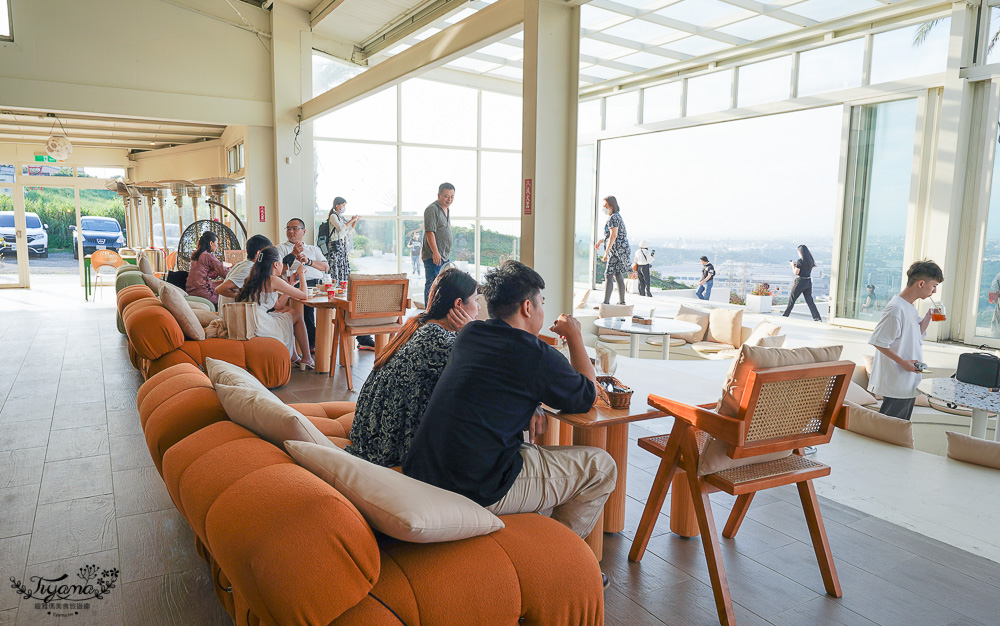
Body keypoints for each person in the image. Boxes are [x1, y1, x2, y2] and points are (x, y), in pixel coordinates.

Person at [403, 261, 617, 553]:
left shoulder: (469, 334)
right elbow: (588, 395)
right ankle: (559, 560)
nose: (543, 309)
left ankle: (533, 541)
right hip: (472, 486)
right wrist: (576, 334)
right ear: (527, 307)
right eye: (542, 302)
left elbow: (498, 381)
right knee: (601, 467)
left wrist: (533, 403)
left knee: (529, 450)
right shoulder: (535, 355)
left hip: (424, 470)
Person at [346, 269, 479, 467]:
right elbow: (485, 371)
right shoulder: (439, 338)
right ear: (458, 304)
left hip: (368, 432)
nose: (477, 308)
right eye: (476, 300)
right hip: (387, 446)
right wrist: (471, 331)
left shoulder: (420, 323)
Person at [868, 261, 945, 421]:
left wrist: (929, 316)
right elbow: (878, 341)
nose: (934, 291)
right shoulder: (895, 308)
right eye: (934, 286)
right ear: (922, 283)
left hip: (907, 380)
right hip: (897, 380)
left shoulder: (909, 307)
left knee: (897, 429)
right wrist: (904, 364)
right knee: (890, 431)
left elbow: (916, 333)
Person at [236, 246, 314, 368]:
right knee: (297, 315)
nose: (283, 265)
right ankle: (307, 358)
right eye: (281, 262)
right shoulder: (272, 280)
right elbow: (304, 295)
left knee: (288, 311)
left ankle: (295, 355)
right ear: (276, 265)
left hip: (250, 319)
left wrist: (290, 285)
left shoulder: (253, 278)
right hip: (259, 323)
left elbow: (277, 305)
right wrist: (301, 273)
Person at [276, 218, 329, 353]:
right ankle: (312, 342)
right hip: (297, 283)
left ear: (303, 231)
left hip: (320, 283)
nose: (291, 231)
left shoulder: (313, 248)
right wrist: (293, 254)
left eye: (295, 228)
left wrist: (309, 262)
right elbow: (280, 270)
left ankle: (362, 339)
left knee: (343, 302)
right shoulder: (281, 248)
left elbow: (325, 267)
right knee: (306, 305)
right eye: (288, 228)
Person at [215, 234, 272, 307]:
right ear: (259, 254)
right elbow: (220, 289)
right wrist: (244, 296)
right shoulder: (248, 269)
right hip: (232, 314)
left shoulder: (245, 264)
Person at [422, 183, 455, 305]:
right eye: (446, 196)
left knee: (442, 286)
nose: (449, 199)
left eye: (452, 197)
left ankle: (437, 311)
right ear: (439, 195)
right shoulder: (432, 209)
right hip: (433, 256)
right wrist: (435, 252)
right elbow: (430, 232)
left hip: (444, 256)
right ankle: (428, 313)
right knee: (432, 284)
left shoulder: (447, 209)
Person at [595, 196, 631, 306]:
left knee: (609, 274)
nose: (603, 208)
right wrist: (601, 241)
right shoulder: (617, 216)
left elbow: (614, 235)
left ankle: (606, 303)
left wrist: (606, 253)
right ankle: (622, 302)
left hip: (616, 251)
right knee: (617, 274)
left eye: (605, 205)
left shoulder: (613, 218)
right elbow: (613, 235)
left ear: (611, 206)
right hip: (621, 250)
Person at [317, 197, 360, 285]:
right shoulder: (333, 216)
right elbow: (341, 228)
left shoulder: (341, 218)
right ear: (337, 205)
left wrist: (354, 222)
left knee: (342, 269)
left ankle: (342, 289)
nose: (344, 207)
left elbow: (347, 234)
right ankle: (334, 288)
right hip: (334, 247)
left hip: (342, 248)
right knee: (335, 269)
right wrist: (351, 220)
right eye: (343, 205)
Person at [185, 231, 228, 307]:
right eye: (217, 243)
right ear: (211, 243)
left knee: (220, 283)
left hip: (191, 290)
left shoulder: (196, 255)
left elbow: (208, 273)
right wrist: (235, 269)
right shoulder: (208, 256)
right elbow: (225, 273)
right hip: (203, 292)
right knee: (228, 290)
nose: (217, 246)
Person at [781, 244, 822, 322]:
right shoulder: (810, 260)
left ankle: (785, 315)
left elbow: (796, 272)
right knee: (810, 301)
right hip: (808, 281)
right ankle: (817, 317)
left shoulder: (800, 261)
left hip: (800, 282)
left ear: (800, 252)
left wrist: (793, 265)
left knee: (792, 299)